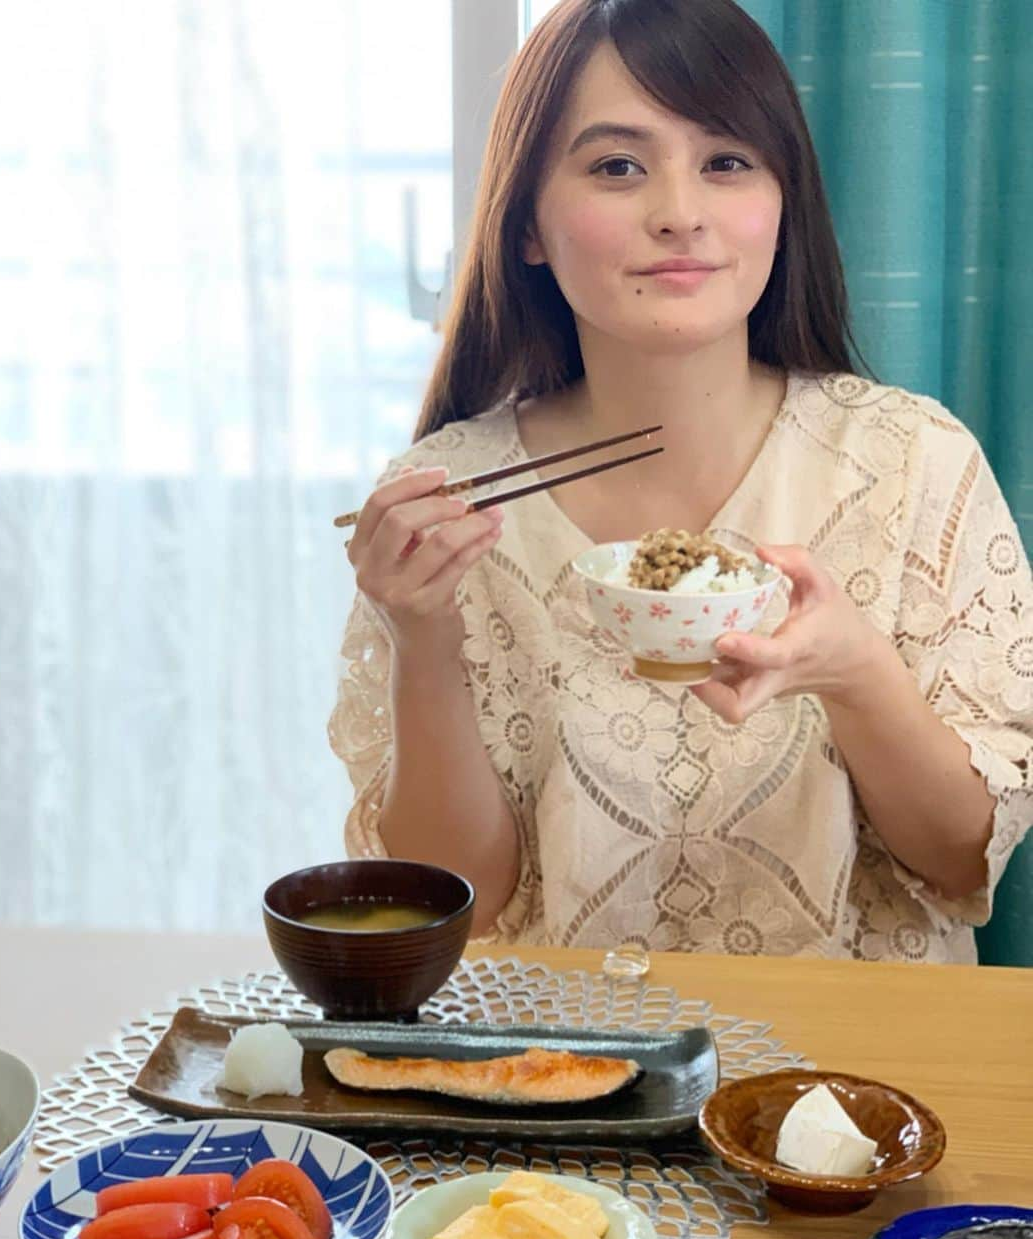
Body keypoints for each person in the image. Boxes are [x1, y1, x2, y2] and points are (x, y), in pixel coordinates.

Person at [328, 0, 1032, 963]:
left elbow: (959, 863)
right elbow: (462, 906)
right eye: (617, 166)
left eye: (727, 161)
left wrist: (856, 675)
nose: (679, 212)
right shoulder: (449, 500)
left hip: (850, 1086)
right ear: (527, 222)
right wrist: (421, 636)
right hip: (566, 1077)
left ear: (785, 203)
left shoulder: (913, 462)